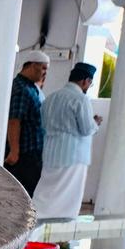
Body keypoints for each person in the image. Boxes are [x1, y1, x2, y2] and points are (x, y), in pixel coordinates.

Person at [33, 63, 102, 219]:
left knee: (47, 190)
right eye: (90, 83)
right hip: (73, 154)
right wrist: (95, 123)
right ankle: (61, 225)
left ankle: (34, 218)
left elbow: (43, 124)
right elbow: (86, 129)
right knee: (67, 196)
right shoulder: (81, 99)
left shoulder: (51, 98)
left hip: (50, 152)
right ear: (85, 81)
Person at [5, 51, 50, 195]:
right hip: (24, 155)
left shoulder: (31, 87)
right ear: (32, 65)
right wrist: (14, 151)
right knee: (22, 193)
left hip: (32, 153)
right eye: (43, 68)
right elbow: (14, 120)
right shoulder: (21, 89)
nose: (45, 73)